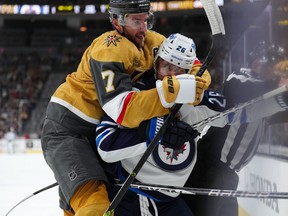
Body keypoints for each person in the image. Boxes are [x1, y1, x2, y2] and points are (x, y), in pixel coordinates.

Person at [41, 1, 211, 216]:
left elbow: (194, 65)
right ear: (116, 22)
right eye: (136, 21)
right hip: (69, 130)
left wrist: (197, 83)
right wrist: (174, 91)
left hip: (99, 131)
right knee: (95, 206)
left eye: (145, 19)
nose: (143, 27)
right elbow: (122, 112)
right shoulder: (108, 48)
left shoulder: (154, 41)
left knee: (82, 207)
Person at [96, 33, 213, 216]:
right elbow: (105, 144)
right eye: (167, 67)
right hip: (134, 195)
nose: (171, 76)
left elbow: (228, 109)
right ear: (157, 62)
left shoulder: (193, 96)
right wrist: (153, 133)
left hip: (169, 200)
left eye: (179, 70)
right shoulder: (136, 92)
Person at [182, 41, 288, 216]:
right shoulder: (239, 79)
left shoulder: (265, 99)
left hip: (227, 174)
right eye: (274, 66)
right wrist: (280, 85)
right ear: (256, 63)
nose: (277, 73)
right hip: (210, 169)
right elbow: (247, 90)